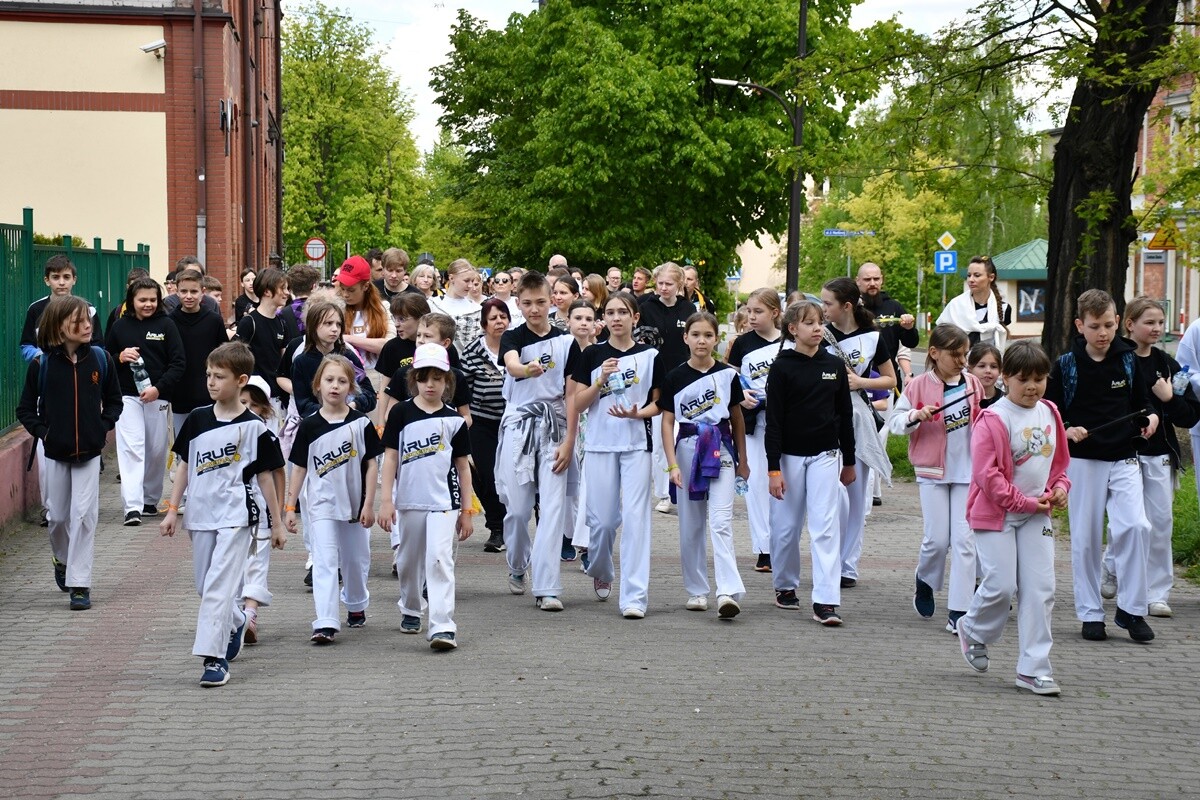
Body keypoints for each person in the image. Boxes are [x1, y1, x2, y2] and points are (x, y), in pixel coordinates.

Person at [160, 342, 286, 688]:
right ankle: (237, 621)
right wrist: (172, 510)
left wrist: (276, 523)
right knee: (206, 586)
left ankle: (213, 659)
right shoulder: (198, 419)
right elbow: (185, 465)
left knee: (218, 587)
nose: (211, 382)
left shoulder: (255, 428)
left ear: (241, 380)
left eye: (219, 376)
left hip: (237, 516)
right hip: (199, 515)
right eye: (208, 375)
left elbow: (266, 477)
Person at [1045, 289, 1157, 643]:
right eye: (1095, 326)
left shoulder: (1128, 359)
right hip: (1082, 461)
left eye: (1109, 325)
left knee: (1136, 526)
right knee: (1086, 538)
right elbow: (1049, 413)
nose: (1104, 333)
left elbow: (1144, 404)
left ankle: (1131, 609)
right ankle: (1091, 613)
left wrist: (1151, 418)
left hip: (1124, 455)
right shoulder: (1066, 365)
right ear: (1080, 325)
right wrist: (1066, 429)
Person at [958, 340, 1070, 695]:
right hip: (996, 515)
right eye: (1024, 379)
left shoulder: (1050, 411)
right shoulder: (992, 419)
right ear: (1006, 378)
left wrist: (1061, 488)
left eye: (1040, 378)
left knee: (1041, 590)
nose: (1033, 387)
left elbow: (1059, 464)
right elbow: (987, 476)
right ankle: (973, 630)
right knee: (1001, 585)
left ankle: (1033, 669)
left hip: (1037, 514)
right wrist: (1022, 501)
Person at [16, 296, 121, 610]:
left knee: (84, 517)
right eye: (78, 322)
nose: (87, 326)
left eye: (88, 320)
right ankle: (61, 560)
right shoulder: (42, 365)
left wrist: (101, 427)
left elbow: (115, 402)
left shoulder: (101, 360)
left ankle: (80, 584)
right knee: (59, 517)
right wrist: (45, 433)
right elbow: (25, 410)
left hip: (89, 453)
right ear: (59, 327)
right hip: (55, 453)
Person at [1099, 297, 1200, 618]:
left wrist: (1168, 399)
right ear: (1129, 324)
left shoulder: (1167, 366)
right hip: (1123, 454)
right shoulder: (1118, 361)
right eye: (1149, 322)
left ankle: (1157, 592)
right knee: (1128, 523)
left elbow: (1188, 415)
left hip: (1159, 455)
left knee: (1159, 524)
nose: (1157, 329)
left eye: (1160, 322)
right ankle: (1112, 566)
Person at [764, 299, 855, 625]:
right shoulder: (782, 367)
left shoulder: (833, 366)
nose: (818, 328)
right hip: (788, 457)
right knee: (786, 529)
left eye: (820, 322)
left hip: (826, 455)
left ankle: (826, 600)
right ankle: (785, 586)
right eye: (809, 323)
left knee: (824, 527)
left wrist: (849, 459)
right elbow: (773, 422)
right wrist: (773, 469)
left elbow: (845, 415)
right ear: (793, 329)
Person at [379, 343, 475, 650]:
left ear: (447, 380)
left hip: (444, 503)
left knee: (439, 559)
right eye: (423, 378)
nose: (430, 384)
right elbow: (390, 458)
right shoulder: (401, 414)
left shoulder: (455, 421)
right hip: (408, 501)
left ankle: (442, 625)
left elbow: (463, 467)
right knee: (407, 562)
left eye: (437, 377)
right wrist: (386, 500)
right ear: (414, 379)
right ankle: (410, 606)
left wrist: (467, 510)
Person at [570, 292, 661, 613]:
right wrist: (601, 381)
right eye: (610, 312)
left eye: (623, 312)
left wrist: (640, 413)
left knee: (637, 521)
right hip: (598, 445)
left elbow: (659, 402)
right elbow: (578, 404)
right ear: (603, 320)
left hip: (637, 446)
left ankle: (634, 597)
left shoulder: (650, 356)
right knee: (603, 522)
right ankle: (602, 568)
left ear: (635, 317)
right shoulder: (592, 354)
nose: (617, 317)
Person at [888, 324, 983, 633]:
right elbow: (895, 422)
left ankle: (959, 611)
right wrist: (915, 416)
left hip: (968, 473)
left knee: (965, 541)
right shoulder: (917, 386)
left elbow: (984, 422)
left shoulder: (972, 384)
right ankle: (926, 579)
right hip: (932, 471)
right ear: (934, 353)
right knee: (937, 540)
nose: (962, 360)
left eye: (965, 354)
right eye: (955, 354)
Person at [495, 271, 579, 611]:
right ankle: (518, 565)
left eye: (541, 302)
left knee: (553, 509)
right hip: (520, 426)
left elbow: (572, 393)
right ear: (518, 303)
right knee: (517, 510)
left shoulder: (567, 342)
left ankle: (547, 587)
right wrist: (526, 369)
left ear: (552, 301)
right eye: (527, 303)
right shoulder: (512, 337)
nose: (535, 309)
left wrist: (570, 439)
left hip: (555, 427)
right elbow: (512, 364)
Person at [285, 355, 382, 645]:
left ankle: (355, 604)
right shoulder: (309, 425)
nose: (335, 386)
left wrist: (368, 504)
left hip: (353, 505)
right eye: (329, 380)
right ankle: (325, 621)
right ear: (318, 385)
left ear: (351, 387)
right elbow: (299, 467)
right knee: (325, 561)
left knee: (355, 560)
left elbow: (372, 464)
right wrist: (290, 506)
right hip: (321, 506)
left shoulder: (360, 424)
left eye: (342, 381)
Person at [659, 312, 749, 620]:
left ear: (716, 339)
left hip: (720, 449)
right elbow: (667, 421)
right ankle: (697, 589)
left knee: (721, 520)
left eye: (708, 335)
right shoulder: (674, 377)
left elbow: (736, 418)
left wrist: (743, 461)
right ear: (686, 338)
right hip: (687, 448)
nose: (701, 340)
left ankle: (727, 590)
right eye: (695, 334)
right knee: (691, 523)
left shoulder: (727, 375)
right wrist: (672, 466)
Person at [820, 277, 895, 588]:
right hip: (825, 418)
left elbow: (890, 381)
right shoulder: (820, 335)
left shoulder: (874, 338)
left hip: (858, 420)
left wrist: (862, 383)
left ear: (846, 306)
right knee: (832, 496)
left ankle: (848, 566)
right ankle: (829, 559)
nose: (822, 309)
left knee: (855, 493)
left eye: (827, 304)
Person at [105, 276, 185, 526]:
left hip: (157, 397)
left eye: (152, 299)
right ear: (132, 300)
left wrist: (158, 389)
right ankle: (132, 507)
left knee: (156, 449)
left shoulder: (167, 325)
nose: (148, 304)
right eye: (142, 300)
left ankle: (150, 500)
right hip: (127, 396)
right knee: (132, 448)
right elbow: (104, 357)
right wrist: (119, 356)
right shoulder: (119, 326)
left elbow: (178, 363)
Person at [726, 288, 782, 572]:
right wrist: (741, 396)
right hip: (754, 421)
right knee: (757, 484)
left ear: (775, 312)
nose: (751, 317)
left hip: (787, 421)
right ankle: (764, 548)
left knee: (784, 482)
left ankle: (783, 542)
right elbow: (729, 378)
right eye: (748, 311)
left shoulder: (790, 341)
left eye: (758, 311)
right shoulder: (741, 343)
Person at [637, 263, 697, 513]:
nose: (663, 288)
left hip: (682, 374)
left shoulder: (688, 308)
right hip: (655, 377)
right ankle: (663, 492)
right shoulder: (645, 307)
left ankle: (685, 484)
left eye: (669, 284)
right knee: (662, 436)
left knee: (683, 433)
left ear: (679, 285)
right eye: (660, 283)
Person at [461, 298, 511, 553]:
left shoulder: (517, 348)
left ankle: (516, 524)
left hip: (513, 422)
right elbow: (463, 390)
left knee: (512, 476)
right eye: (493, 318)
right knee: (487, 475)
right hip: (481, 422)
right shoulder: (471, 352)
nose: (499, 322)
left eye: (503, 316)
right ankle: (497, 527)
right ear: (484, 324)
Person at [237, 376, 284, 644]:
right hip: (229, 509)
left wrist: (278, 518)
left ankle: (250, 613)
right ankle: (233, 614)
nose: (248, 409)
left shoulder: (266, 436)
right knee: (232, 563)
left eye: (254, 405)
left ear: (264, 410)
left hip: (261, 508)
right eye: (243, 402)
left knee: (257, 562)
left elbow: (277, 474)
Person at [290, 298, 377, 419]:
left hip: (350, 423)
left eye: (339, 324)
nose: (335, 329)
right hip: (318, 428)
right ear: (313, 325)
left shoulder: (348, 356)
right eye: (328, 323)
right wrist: (331, 411)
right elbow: (303, 405)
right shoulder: (302, 361)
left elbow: (370, 395)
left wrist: (352, 405)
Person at [169, 269, 229, 437]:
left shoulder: (213, 320)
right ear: (176, 291)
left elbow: (224, 355)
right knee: (183, 445)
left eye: (194, 291)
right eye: (184, 291)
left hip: (208, 393)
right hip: (180, 394)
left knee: (209, 441)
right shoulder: (170, 322)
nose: (189, 296)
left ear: (203, 292)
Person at [233, 268, 293, 421]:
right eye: (283, 288)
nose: (287, 292)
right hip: (255, 397)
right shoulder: (249, 322)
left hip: (277, 397)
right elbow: (235, 358)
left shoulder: (281, 323)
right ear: (267, 291)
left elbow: (283, 360)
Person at [20, 254, 103, 364]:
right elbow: (26, 345)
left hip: (81, 371)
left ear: (74, 280)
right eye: (55, 277)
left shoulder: (89, 309)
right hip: (48, 372)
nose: (62, 282)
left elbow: (99, 345)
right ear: (47, 280)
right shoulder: (35, 309)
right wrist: (41, 358)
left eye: (66, 277)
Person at [337, 255, 395, 376]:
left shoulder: (383, 308)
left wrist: (348, 339)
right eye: (342, 289)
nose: (345, 294)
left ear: (366, 286)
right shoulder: (337, 310)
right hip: (345, 376)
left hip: (376, 376)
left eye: (351, 290)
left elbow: (389, 346)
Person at [936, 255, 1010, 350]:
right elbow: (939, 335)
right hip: (958, 362)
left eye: (977, 275)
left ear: (991, 277)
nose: (971, 280)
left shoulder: (1004, 309)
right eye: (969, 275)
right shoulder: (956, 305)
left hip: (988, 363)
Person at [430, 258, 484, 354]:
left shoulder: (477, 309)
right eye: (466, 281)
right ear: (451, 278)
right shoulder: (433, 305)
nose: (470, 286)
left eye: (472, 281)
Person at [968, 342, 1004, 408]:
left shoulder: (1005, 401)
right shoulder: (963, 399)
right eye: (982, 366)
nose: (988, 371)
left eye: (993, 366)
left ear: (1000, 370)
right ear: (970, 369)